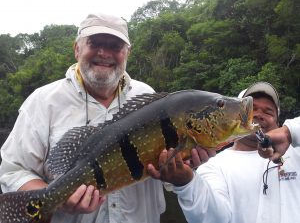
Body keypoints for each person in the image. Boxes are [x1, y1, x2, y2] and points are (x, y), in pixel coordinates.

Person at [0, 13, 167, 223]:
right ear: (77, 49)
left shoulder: (147, 97)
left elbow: (166, 167)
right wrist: (56, 198)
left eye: (115, 46)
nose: (104, 53)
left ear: (127, 53)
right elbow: (13, 170)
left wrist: (185, 168)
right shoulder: (43, 101)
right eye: (94, 43)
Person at [148, 82, 300, 223]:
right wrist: (186, 184)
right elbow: (214, 218)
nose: (259, 114)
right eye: (252, 108)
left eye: (268, 112)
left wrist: (290, 131)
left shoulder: (295, 153)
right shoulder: (213, 165)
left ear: (278, 122)